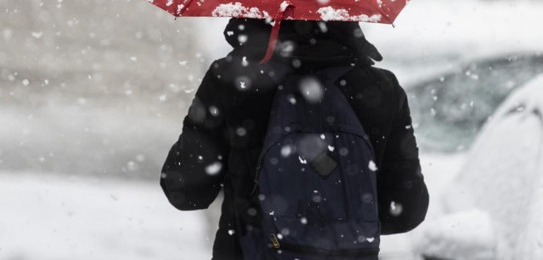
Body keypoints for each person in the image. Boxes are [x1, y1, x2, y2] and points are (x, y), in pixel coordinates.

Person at [160, 18, 429, 260]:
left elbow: (186, 192)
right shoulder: (381, 88)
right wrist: (335, 219)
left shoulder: (233, 79)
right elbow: (406, 211)